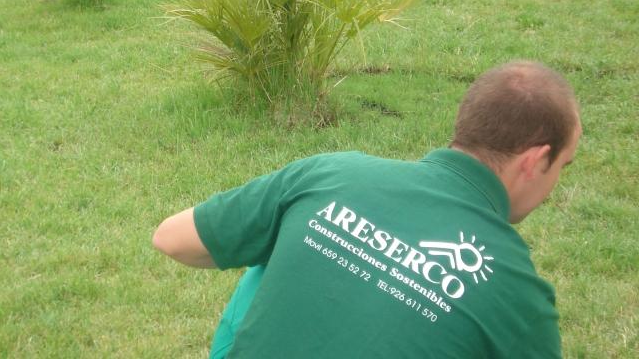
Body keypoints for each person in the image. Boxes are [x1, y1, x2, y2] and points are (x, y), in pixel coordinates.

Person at [153, 61, 581, 358]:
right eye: (563, 166)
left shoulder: (334, 174)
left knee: (277, 242)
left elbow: (172, 238)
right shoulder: (520, 295)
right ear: (533, 161)